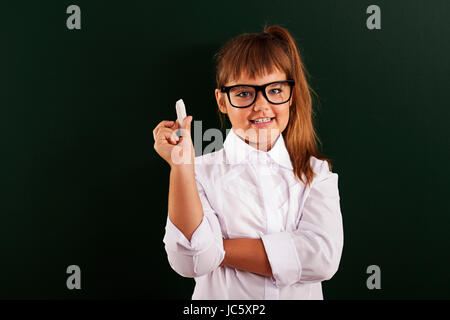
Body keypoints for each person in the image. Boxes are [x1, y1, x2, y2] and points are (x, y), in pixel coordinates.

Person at [153, 25, 344, 300]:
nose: (261, 105)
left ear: (291, 94)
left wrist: (217, 248)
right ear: (222, 101)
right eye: (244, 93)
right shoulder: (199, 173)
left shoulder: (316, 173)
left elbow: (323, 258)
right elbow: (191, 262)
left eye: (275, 90)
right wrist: (181, 167)